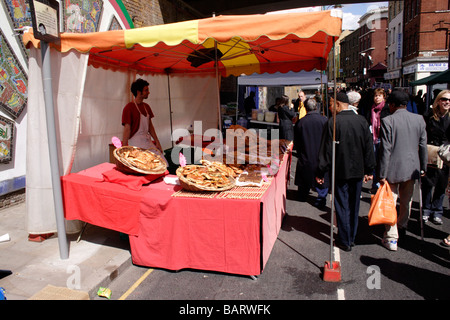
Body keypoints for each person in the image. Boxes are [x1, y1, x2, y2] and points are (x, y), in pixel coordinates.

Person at [316, 92, 375, 252]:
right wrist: (370, 169)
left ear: (338, 104)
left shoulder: (333, 122)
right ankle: (351, 237)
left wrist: (321, 171)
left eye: (330, 103)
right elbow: (368, 147)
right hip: (357, 170)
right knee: (353, 205)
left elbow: (326, 151)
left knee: (342, 205)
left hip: (340, 171)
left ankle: (345, 239)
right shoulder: (361, 121)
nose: (329, 107)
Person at [378, 90, 428, 251]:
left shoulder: (388, 121)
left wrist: (382, 174)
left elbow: (386, 149)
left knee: (390, 202)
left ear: (391, 105)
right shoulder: (419, 119)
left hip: (393, 168)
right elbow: (422, 146)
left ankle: (392, 236)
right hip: (412, 167)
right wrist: (423, 167)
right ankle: (403, 226)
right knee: (407, 200)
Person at [421, 90, 450, 225]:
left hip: (447, 155)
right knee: (427, 183)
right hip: (431, 153)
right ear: (438, 100)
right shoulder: (429, 116)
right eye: (444, 99)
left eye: (449, 100)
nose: (447, 102)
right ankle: (426, 209)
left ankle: (437, 210)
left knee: (442, 184)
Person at [122, 78, 167, 163]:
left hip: (148, 141)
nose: (148, 92)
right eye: (146, 90)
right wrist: (124, 148)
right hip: (136, 144)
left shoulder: (146, 107)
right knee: (144, 165)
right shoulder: (129, 108)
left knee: (163, 162)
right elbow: (127, 129)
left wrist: (157, 141)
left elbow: (150, 127)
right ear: (139, 92)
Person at [293, 98, 328, 206]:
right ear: (316, 107)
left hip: (306, 154)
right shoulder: (324, 121)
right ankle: (321, 199)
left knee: (304, 177)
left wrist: (299, 151)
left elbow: (297, 142)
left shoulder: (301, 122)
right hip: (321, 155)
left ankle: (302, 195)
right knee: (322, 178)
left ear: (306, 108)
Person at [368, 88, 390, 193]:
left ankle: (382, 184)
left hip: (383, 137)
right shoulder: (371, 108)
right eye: (375, 96)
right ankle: (375, 184)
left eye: (379, 96)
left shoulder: (386, 109)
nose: (377, 98)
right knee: (375, 161)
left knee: (382, 161)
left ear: (383, 97)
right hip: (374, 138)